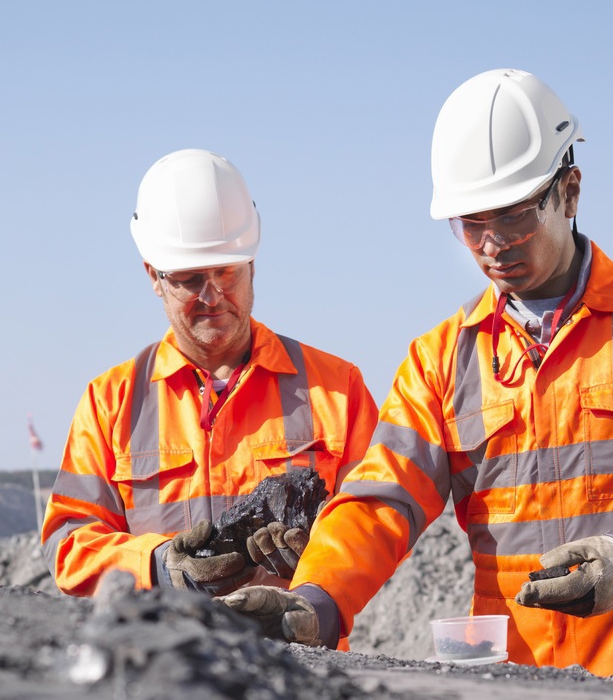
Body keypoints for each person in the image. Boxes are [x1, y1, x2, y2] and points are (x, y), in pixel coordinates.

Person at [222, 70, 613, 690]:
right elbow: (380, 503)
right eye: (471, 224)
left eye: (514, 217)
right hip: (515, 682)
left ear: (569, 191)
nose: (493, 244)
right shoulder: (443, 359)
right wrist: (318, 599)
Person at [42, 149, 378, 598]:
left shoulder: (337, 389)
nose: (213, 294)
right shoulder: (111, 403)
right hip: (163, 658)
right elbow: (68, 542)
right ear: (154, 277)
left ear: (252, 263)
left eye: (226, 271)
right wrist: (159, 566)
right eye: (190, 278)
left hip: (295, 656)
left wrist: (322, 556)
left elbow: (380, 522)